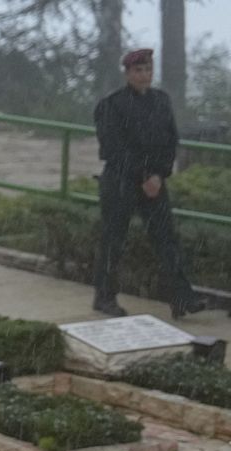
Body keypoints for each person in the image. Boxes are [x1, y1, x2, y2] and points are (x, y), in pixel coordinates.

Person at [92, 48, 200, 319]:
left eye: (148, 70)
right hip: (120, 182)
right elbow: (113, 148)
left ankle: (181, 296)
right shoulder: (112, 105)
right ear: (128, 73)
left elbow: (169, 141)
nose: (144, 75)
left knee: (166, 238)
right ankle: (104, 297)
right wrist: (142, 175)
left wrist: (159, 174)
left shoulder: (161, 101)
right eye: (138, 70)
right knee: (113, 241)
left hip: (154, 181)